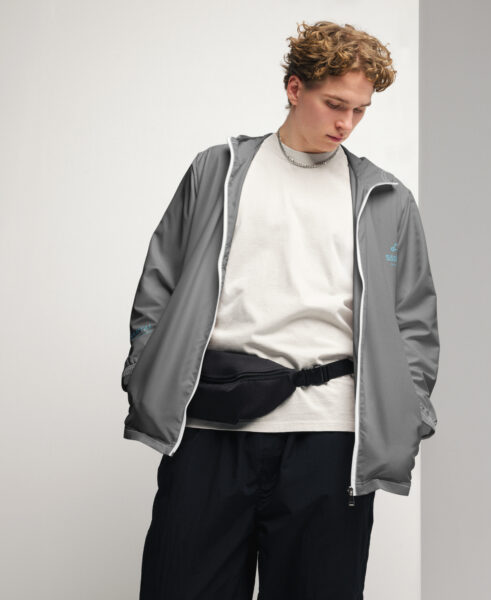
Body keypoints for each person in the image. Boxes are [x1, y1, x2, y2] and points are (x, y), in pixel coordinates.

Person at [121, 19, 440, 600]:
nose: (346, 123)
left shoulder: (385, 197)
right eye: (334, 104)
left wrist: (410, 409)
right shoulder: (216, 171)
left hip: (332, 439)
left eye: (360, 111)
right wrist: (146, 366)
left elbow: (414, 319)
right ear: (295, 89)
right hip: (212, 426)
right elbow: (158, 283)